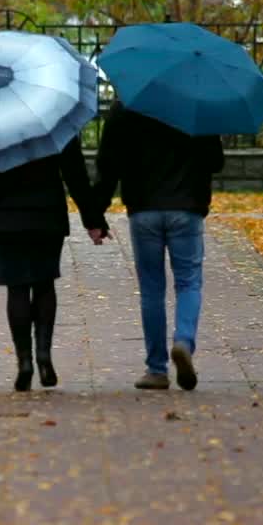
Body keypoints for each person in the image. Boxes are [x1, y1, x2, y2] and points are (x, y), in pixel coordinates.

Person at [93, 101, 225, 391]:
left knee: (152, 289)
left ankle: (156, 369)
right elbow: (215, 161)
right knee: (189, 282)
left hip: (144, 210)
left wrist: (96, 214)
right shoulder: (198, 104)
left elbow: (108, 164)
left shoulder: (127, 106)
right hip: (187, 208)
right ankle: (183, 342)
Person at [0, 136, 108, 392]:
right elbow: (75, 175)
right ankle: (44, 356)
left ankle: (24, 362)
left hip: (7, 214)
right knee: (44, 283)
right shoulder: (57, 119)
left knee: (17, 288)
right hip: (47, 212)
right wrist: (93, 219)